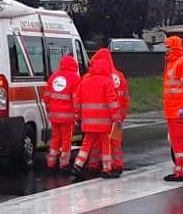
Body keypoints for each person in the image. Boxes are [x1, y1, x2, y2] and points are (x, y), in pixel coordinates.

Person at [71, 48, 120, 178]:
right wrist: (116, 118)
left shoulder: (85, 82)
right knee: (105, 144)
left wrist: (77, 115)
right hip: (104, 122)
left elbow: (77, 101)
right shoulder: (107, 82)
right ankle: (106, 168)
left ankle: (78, 164)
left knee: (86, 144)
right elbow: (112, 102)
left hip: (88, 122)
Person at [162, 35, 183, 181]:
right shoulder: (171, 63)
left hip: (179, 111)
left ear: (174, 47)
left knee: (180, 143)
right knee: (176, 143)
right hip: (172, 111)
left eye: (168, 47)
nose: (166, 50)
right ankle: (179, 171)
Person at [42, 52, 79, 171]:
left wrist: (49, 109)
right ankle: (64, 162)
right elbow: (76, 98)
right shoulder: (75, 78)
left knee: (55, 138)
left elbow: (46, 96)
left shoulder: (54, 76)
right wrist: (77, 113)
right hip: (68, 115)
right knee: (66, 139)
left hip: (54, 115)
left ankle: (51, 161)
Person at [108, 55, 130, 172]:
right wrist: (123, 112)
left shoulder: (104, 76)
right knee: (116, 140)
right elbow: (125, 96)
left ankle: (107, 164)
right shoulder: (120, 75)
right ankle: (117, 163)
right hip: (119, 115)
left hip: (107, 115)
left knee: (106, 141)